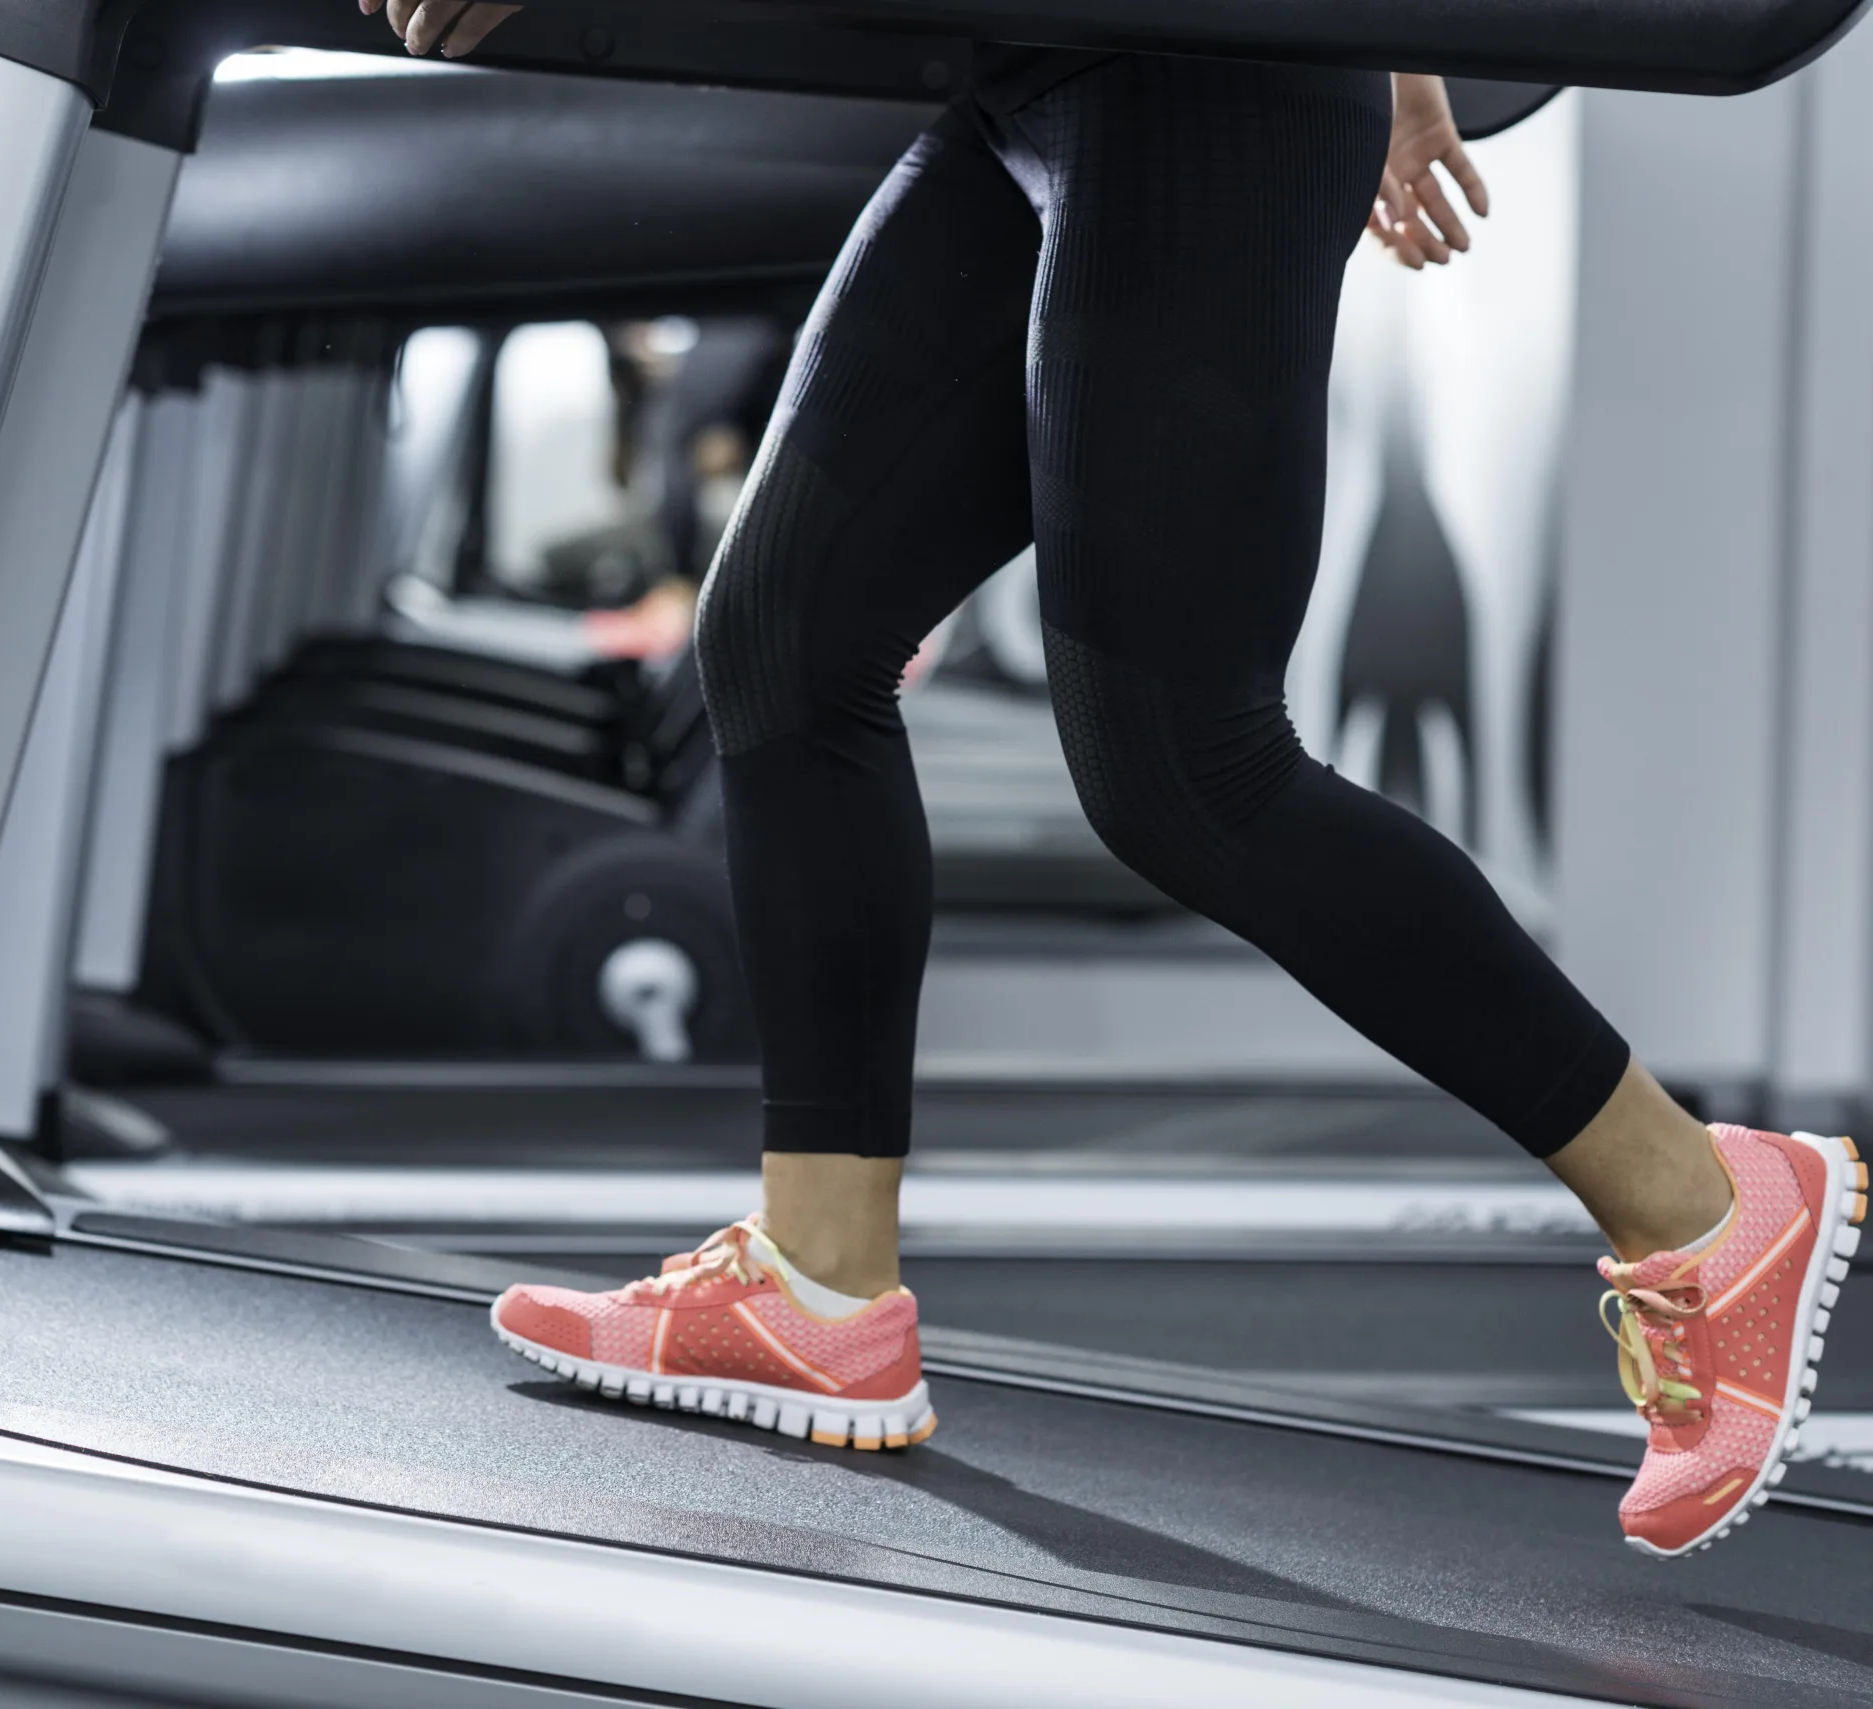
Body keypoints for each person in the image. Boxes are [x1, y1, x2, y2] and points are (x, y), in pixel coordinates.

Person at [366, 0, 1865, 1558]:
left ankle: (1699, 1204)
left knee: (1183, 767)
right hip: (1043, 72)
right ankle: (819, 1288)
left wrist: (1401, 43)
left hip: (1208, 70)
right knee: (784, 639)